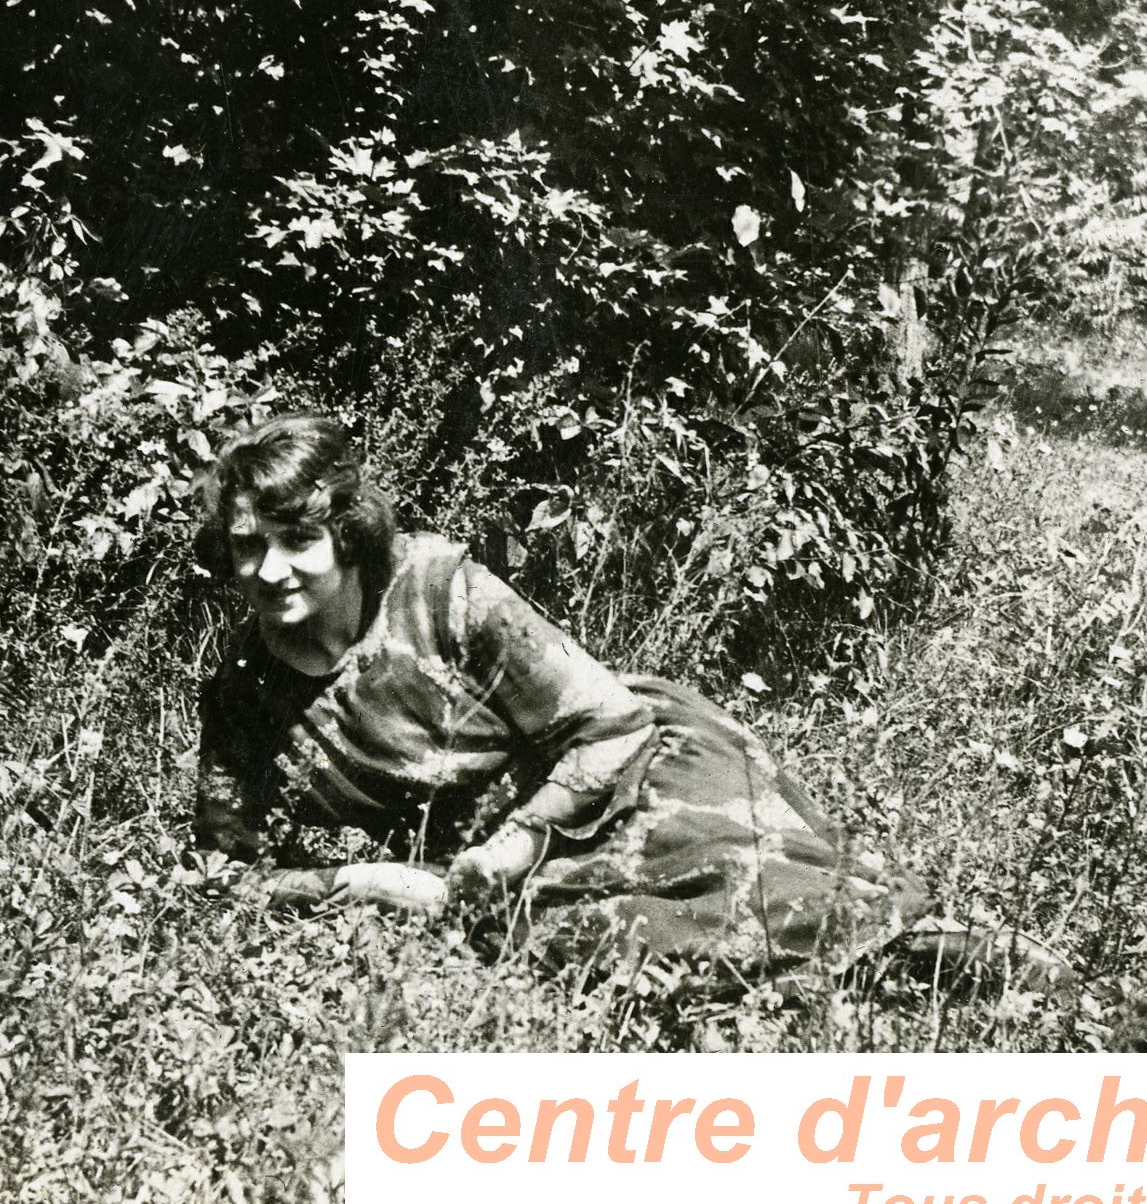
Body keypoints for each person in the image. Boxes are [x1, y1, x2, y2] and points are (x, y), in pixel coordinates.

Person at [188, 409, 1065, 993]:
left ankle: (958, 960)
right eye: (245, 547)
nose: (270, 571)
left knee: (727, 888)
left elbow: (608, 723)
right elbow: (226, 874)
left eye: (296, 540)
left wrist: (519, 838)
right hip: (479, 863)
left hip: (616, 768)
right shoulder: (241, 690)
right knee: (577, 939)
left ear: (344, 530)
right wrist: (360, 881)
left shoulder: (439, 588)